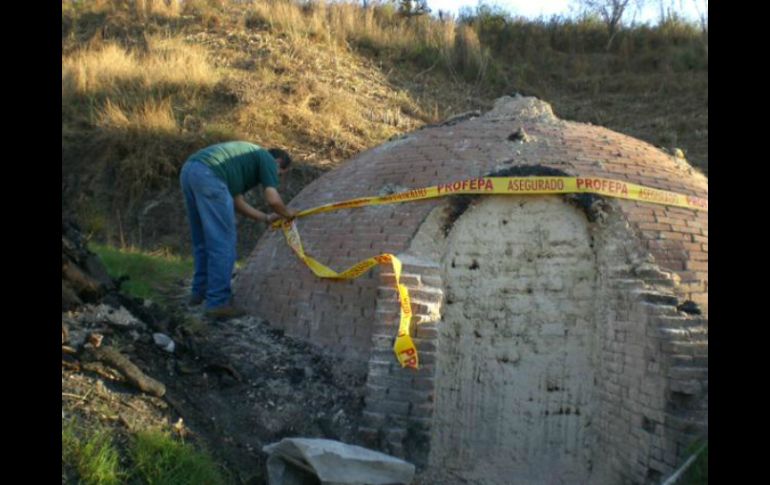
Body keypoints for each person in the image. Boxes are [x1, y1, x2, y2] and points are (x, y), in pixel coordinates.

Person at [179, 141, 298, 319]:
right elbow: (273, 200)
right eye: (280, 174)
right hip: (209, 175)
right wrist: (288, 214)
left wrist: (265, 218)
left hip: (190, 171)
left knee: (203, 241)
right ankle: (218, 303)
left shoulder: (240, 163)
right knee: (223, 243)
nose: (277, 178)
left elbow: (237, 201)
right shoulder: (266, 158)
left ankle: (199, 293)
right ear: (278, 161)